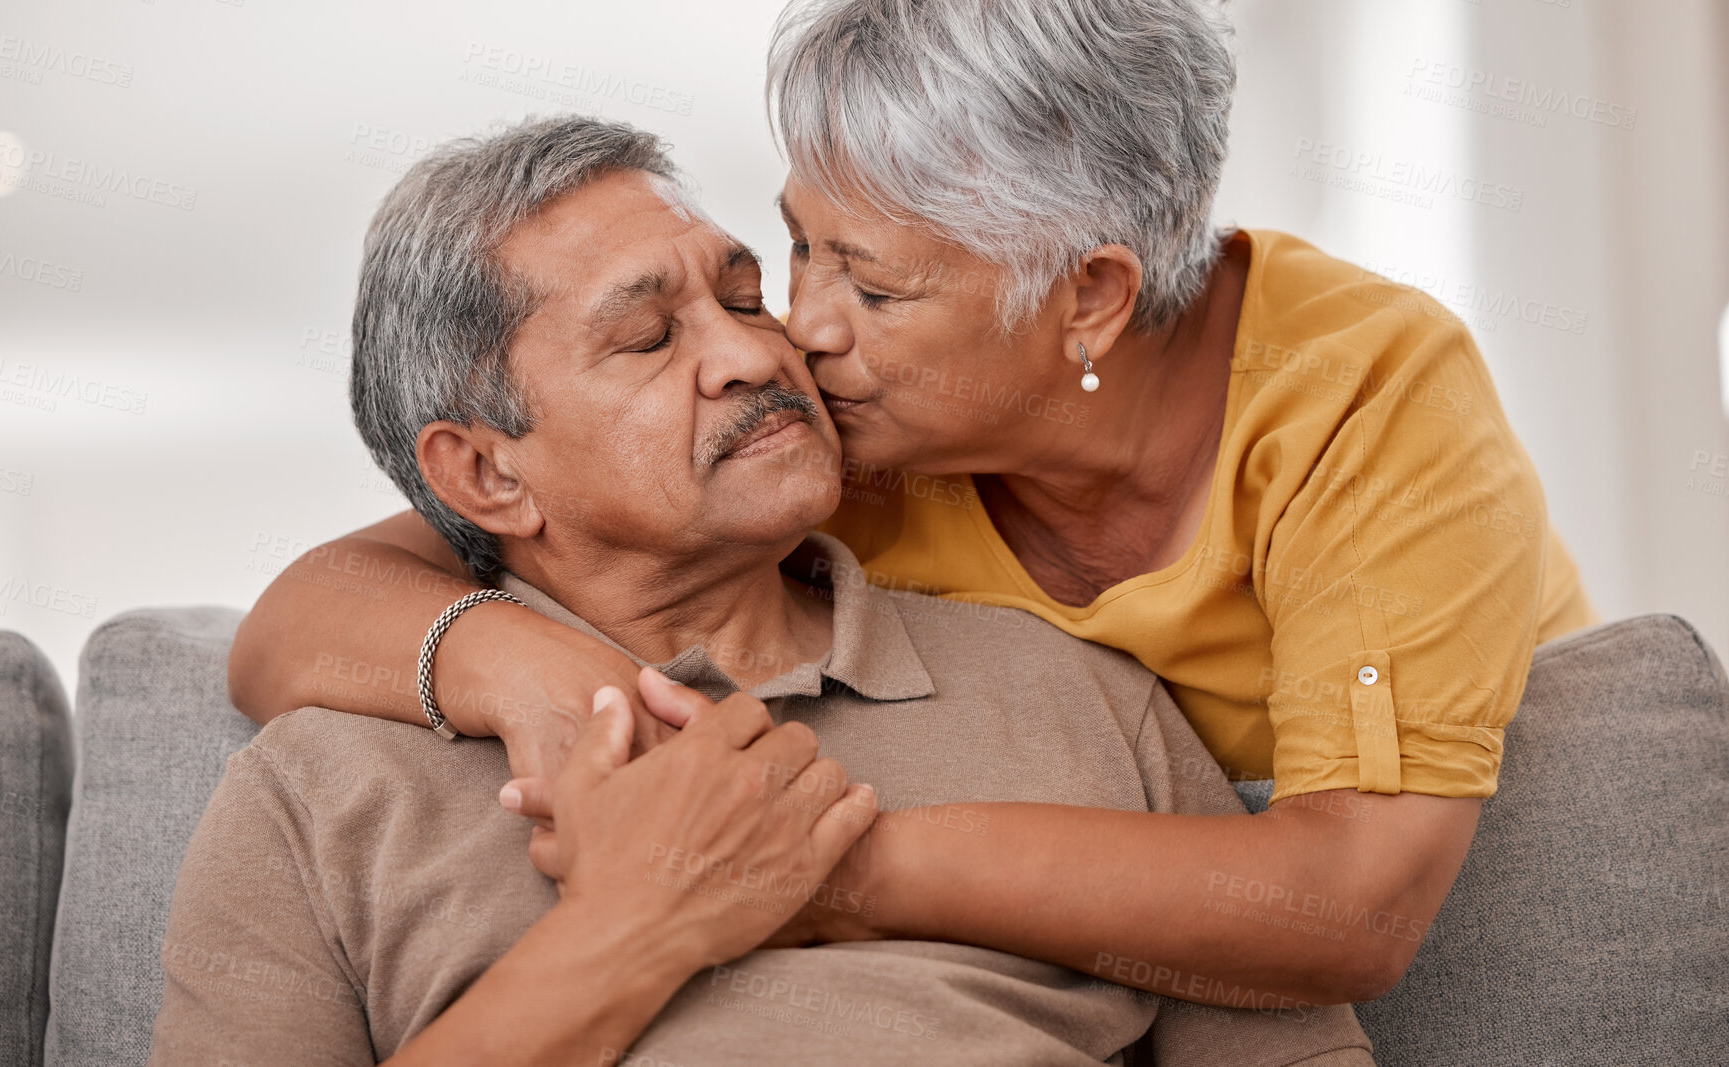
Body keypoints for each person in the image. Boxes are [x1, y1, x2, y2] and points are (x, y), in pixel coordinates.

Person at [230, 0, 1595, 1005]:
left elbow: (1346, 901)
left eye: (871, 289)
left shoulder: (1358, 401)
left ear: (1088, 296)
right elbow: (333, 597)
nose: (793, 334)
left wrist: (811, 862)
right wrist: (540, 670)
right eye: (796, 248)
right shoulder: (831, 439)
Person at [150, 115, 1375, 1065]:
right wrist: (633, 929)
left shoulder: (1083, 697)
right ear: (484, 472)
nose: (754, 354)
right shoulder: (321, 791)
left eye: (743, 298)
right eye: (648, 341)